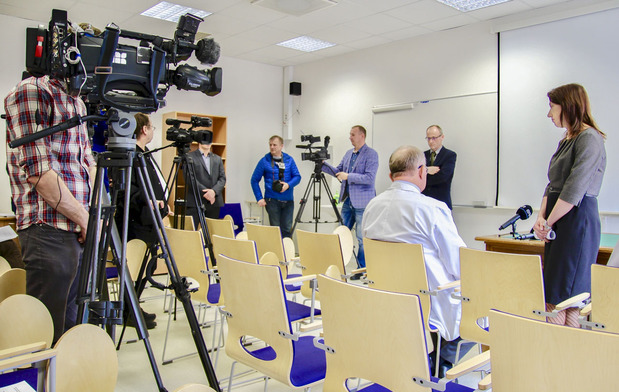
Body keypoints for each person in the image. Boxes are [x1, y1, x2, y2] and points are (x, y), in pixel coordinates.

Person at [362, 145, 469, 376]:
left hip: (388, 298)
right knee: (487, 306)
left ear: (391, 176)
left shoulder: (372, 207)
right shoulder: (433, 209)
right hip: (429, 303)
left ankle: (423, 359)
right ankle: (440, 362)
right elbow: (461, 264)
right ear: (422, 172)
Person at [5, 75, 96, 343]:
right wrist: (86, 219)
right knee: (45, 335)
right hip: (48, 229)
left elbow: (86, 161)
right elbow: (40, 174)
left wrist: (87, 216)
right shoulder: (31, 90)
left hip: (78, 227)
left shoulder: (77, 101)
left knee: (71, 328)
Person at [533, 83, 606, 328]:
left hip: (576, 223)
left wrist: (549, 221)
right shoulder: (567, 139)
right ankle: (555, 354)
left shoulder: (589, 139)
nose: (549, 114)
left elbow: (574, 190)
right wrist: (541, 218)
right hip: (558, 220)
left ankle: (563, 357)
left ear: (568, 106)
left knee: (568, 297)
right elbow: (552, 184)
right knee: (554, 292)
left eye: (551, 107)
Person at [114, 113, 170, 329]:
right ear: (145, 129)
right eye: (152, 127)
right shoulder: (131, 154)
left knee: (148, 265)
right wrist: (151, 201)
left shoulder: (145, 153)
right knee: (137, 267)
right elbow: (128, 190)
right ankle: (129, 310)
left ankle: (133, 306)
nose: (153, 130)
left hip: (150, 219)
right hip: (137, 222)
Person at [322, 125, 378, 270]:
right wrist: (322, 165)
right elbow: (338, 171)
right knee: (341, 233)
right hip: (348, 201)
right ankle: (338, 265)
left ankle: (362, 269)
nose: (350, 137)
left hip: (363, 203)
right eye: (350, 134)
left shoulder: (371, 154)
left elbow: (370, 178)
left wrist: (348, 176)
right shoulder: (348, 154)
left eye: (353, 134)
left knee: (361, 238)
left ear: (362, 136)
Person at [251, 135, 301, 238]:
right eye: (270, 145)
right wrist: (259, 198)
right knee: (275, 230)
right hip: (272, 200)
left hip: (288, 201)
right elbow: (254, 180)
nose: (272, 147)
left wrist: (288, 185)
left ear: (281, 146)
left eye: (275, 145)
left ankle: (287, 253)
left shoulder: (289, 160)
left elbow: (297, 177)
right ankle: (277, 253)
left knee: (287, 229)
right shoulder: (264, 161)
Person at [185, 141, 226, 225]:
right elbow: (189, 178)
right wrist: (207, 192)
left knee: (211, 233)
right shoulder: (189, 157)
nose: (208, 142)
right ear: (199, 141)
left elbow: (222, 178)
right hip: (195, 200)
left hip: (214, 202)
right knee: (192, 232)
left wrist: (213, 192)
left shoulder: (217, 159)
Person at [422, 125, 457, 209]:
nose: (431, 141)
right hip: (425, 203)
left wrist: (424, 176)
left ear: (442, 137)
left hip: (441, 202)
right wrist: (427, 170)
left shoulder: (449, 155)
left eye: (434, 138)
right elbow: (415, 175)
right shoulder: (422, 155)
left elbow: (443, 177)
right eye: (428, 138)